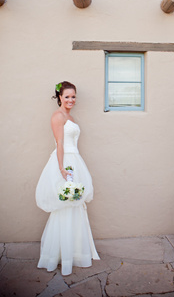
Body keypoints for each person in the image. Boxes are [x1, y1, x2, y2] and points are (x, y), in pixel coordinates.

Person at [36, 81, 99, 276]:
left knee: (75, 205)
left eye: (73, 96)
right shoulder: (58, 116)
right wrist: (62, 169)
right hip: (65, 163)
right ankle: (58, 254)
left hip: (75, 160)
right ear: (59, 98)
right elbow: (60, 143)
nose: (71, 100)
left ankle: (75, 252)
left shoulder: (69, 116)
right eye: (67, 97)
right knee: (65, 205)